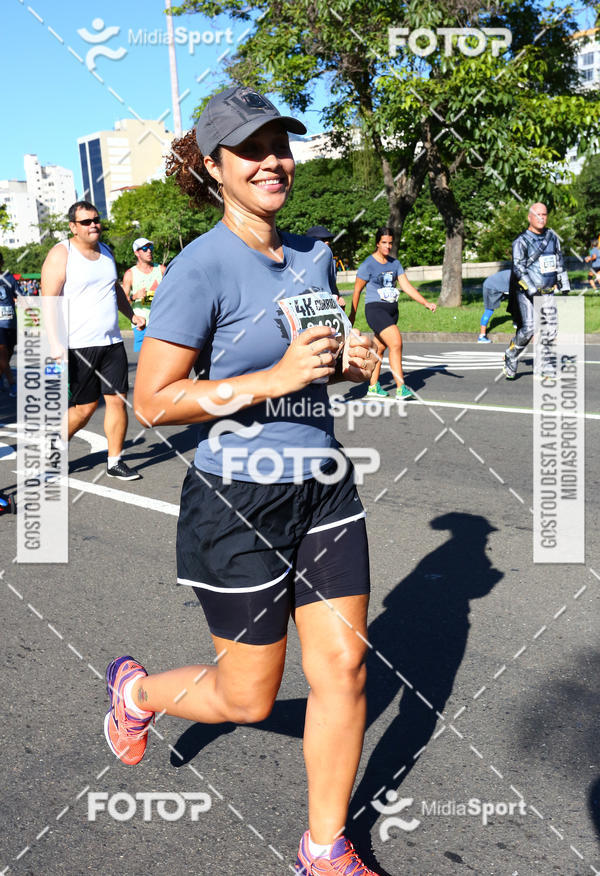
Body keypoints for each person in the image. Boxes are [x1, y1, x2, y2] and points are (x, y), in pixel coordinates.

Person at [104, 85, 381, 876]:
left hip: (323, 484)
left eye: (280, 146)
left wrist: (352, 357)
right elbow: (155, 399)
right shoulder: (199, 268)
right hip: (238, 501)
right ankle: (140, 695)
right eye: (251, 150)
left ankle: (324, 848)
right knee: (249, 697)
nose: (272, 162)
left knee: (344, 669)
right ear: (216, 168)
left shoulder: (313, 254)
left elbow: (322, 352)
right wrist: (271, 378)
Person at [41, 202, 146, 479]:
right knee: (85, 409)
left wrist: (132, 315)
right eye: (86, 221)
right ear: (73, 227)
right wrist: (54, 343)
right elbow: (48, 302)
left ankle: (115, 462)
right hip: (78, 344)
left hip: (111, 342)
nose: (93, 225)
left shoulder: (107, 252)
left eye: (96, 220)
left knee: (117, 401)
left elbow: (115, 291)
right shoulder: (61, 254)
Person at [349, 227, 437, 400]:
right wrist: (351, 316)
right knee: (396, 343)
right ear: (377, 243)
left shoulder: (395, 264)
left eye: (390, 243)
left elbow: (406, 286)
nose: (388, 246)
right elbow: (357, 290)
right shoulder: (368, 264)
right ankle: (401, 388)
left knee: (379, 349)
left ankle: (373, 387)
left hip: (392, 312)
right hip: (375, 310)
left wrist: (425, 302)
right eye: (384, 243)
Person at [504, 203, 570, 380]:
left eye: (544, 214)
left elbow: (559, 259)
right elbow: (518, 268)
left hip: (548, 291)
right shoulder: (521, 241)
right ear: (529, 217)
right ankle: (511, 354)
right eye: (537, 214)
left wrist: (564, 283)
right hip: (527, 293)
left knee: (550, 330)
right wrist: (532, 289)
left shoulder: (551, 237)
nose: (541, 218)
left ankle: (545, 364)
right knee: (529, 329)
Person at [122, 237, 166, 349]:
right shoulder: (130, 274)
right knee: (144, 362)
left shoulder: (161, 269)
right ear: (136, 253)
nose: (149, 251)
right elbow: (122, 301)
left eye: (150, 247)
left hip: (161, 322)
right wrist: (135, 296)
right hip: (142, 324)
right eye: (145, 248)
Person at [0, 253, 23, 398]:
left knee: (7, 353)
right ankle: (12, 384)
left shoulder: (9, 278)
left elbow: (20, 296)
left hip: (11, 323)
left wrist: (33, 315)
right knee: (2, 352)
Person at [477, 268, 511, 342]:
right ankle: (481, 336)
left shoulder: (515, 273)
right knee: (489, 310)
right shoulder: (517, 278)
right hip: (491, 288)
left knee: (515, 302)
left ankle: (516, 322)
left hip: (490, 284)